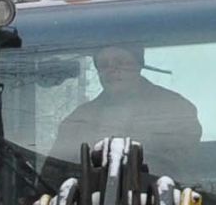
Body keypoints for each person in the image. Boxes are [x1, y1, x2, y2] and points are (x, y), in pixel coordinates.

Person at [48, 44, 203, 176]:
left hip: (168, 203)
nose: (112, 70)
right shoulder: (78, 120)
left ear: (138, 65)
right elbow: (54, 175)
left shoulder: (174, 108)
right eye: (103, 65)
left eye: (121, 62)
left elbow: (184, 166)